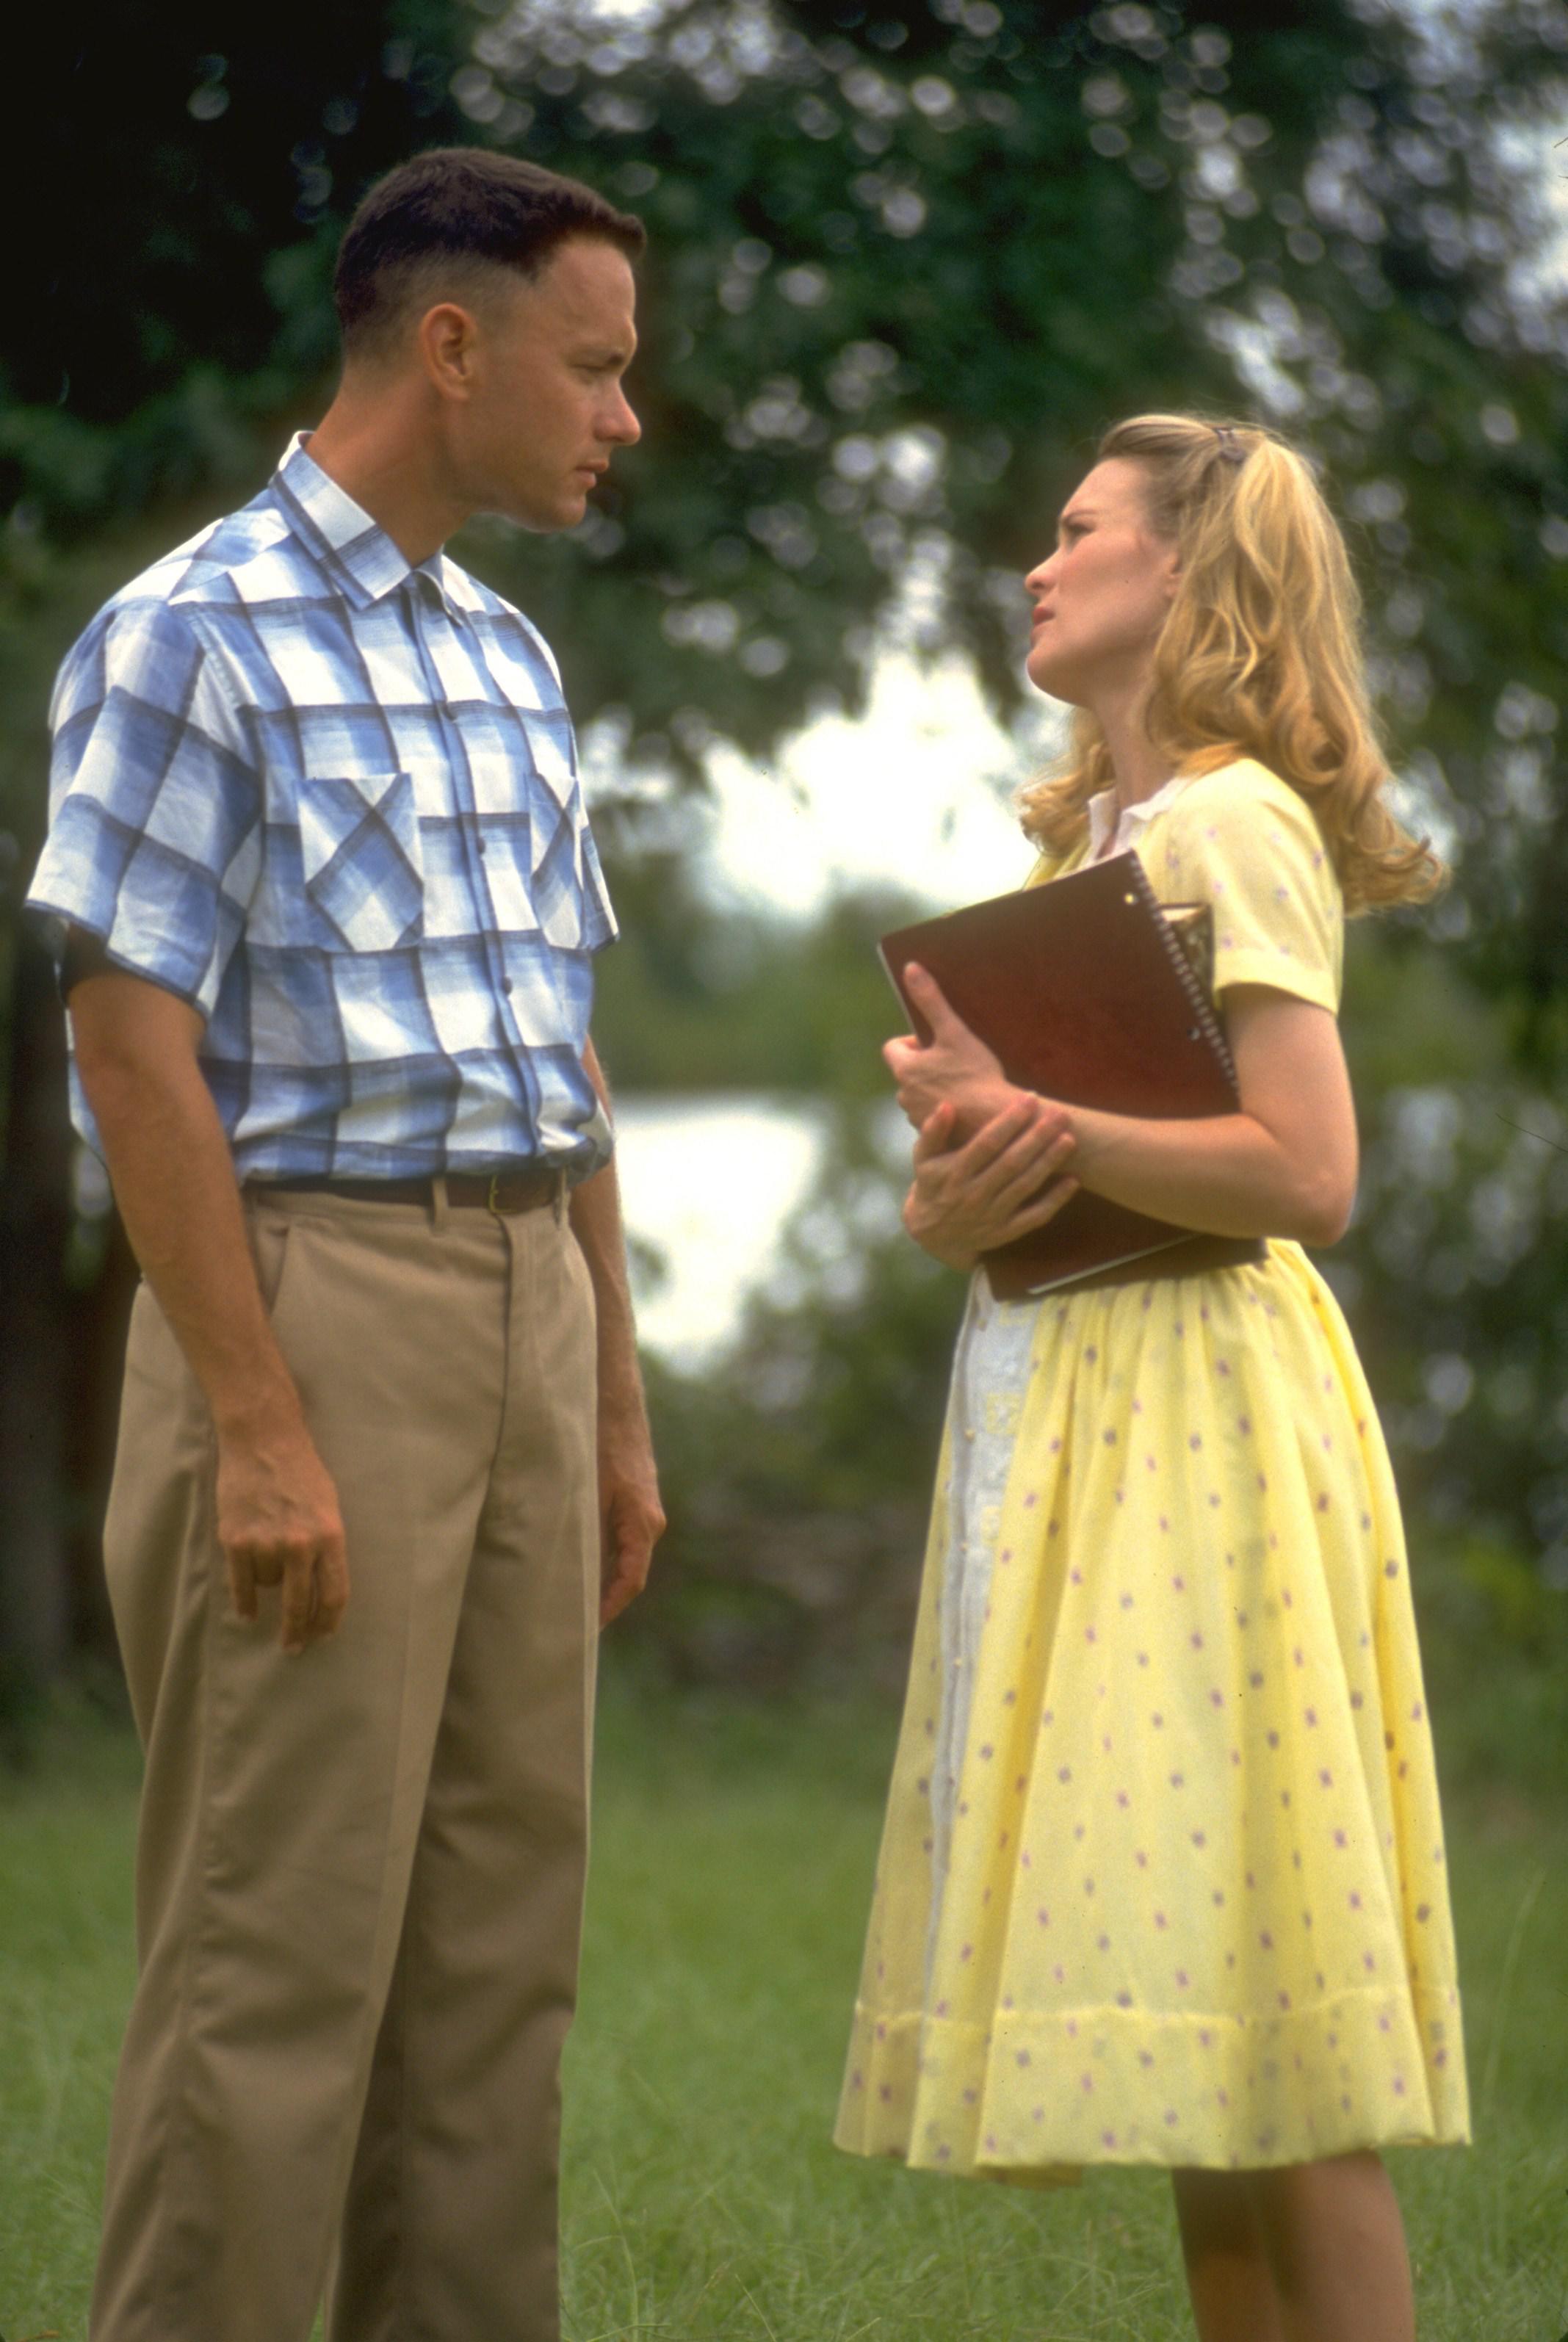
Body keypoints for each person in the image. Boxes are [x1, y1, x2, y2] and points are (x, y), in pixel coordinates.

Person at [24, 148, 665, 2342]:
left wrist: (615, 1396)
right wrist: (259, 1426)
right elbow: (129, 1050)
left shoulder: (506, 659)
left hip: (530, 1306)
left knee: (498, 1968)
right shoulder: (182, 639)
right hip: (318, 1304)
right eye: (595, 367)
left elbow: (559, 1053)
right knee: (274, 1972)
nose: (623, 417)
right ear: (450, 342)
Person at [834, 414, 1470, 2342]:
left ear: (1183, 575)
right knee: (1200, 2053)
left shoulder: (1234, 823)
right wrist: (969, 1185)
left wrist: (1037, 1116)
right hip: (1078, 1394)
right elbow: (1072, 1154)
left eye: (1080, 530)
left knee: (1270, 2026)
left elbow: (1307, 1172)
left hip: (1201, 1412)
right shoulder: (1091, 843)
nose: (1039, 563)